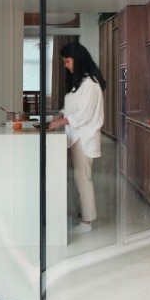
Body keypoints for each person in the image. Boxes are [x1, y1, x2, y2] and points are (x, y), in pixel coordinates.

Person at [48, 41, 105, 234]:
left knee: (83, 179)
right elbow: (71, 108)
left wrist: (60, 122)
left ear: (77, 59)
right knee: (78, 179)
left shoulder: (91, 84)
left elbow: (84, 115)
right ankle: (82, 215)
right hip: (75, 137)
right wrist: (60, 114)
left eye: (68, 61)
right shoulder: (78, 83)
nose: (66, 65)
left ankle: (87, 223)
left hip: (84, 138)